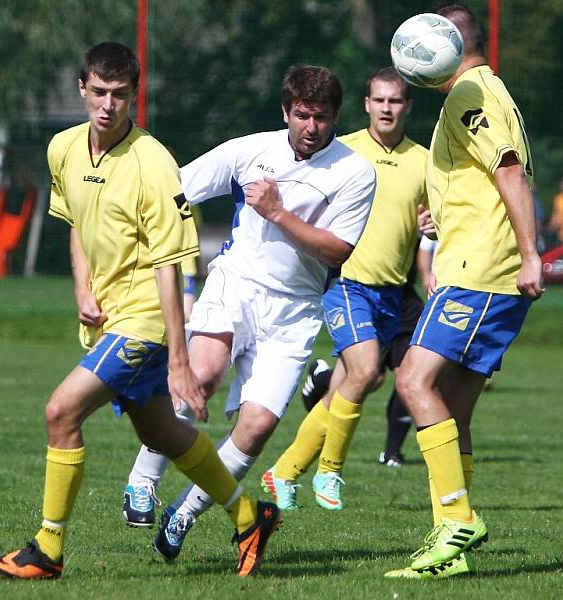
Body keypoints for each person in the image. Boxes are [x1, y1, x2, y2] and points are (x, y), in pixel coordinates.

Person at [0, 42, 278, 580]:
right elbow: (74, 221)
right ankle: (246, 515)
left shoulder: (155, 165)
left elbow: (172, 266)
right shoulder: (64, 148)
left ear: (133, 96)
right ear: (81, 89)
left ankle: (47, 550)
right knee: (161, 434)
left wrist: (180, 358)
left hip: (144, 319)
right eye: (98, 92)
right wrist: (82, 287)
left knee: (61, 413)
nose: (107, 105)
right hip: (105, 316)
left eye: (119, 95)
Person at [122, 65, 376, 560]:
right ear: (285, 112)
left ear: (335, 118)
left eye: (320, 117)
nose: (310, 126)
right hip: (235, 285)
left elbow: (337, 251)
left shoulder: (354, 172)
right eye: (301, 115)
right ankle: (141, 482)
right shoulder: (249, 151)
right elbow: (174, 191)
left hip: (296, 312)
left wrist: (278, 212)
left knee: (257, 426)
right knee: (200, 377)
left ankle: (184, 513)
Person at [383, 4, 544, 580]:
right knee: (453, 406)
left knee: (411, 381)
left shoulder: (468, 95)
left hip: (479, 275)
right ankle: (453, 550)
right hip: (486, 268)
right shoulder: (489, 88)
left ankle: (455, 520)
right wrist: (443, 218)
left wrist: (530, 254)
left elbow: (508, 173)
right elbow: (488, 177)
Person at [261, 67, 429, 511]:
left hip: (395, 291)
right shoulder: (343, 151)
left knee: (349, 387)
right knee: (367, 371)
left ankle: (283, 472)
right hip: (347, 282)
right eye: (379, 100)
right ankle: (330, 471)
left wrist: (430, 223)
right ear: (367, 105)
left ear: (407, 106)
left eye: (395, 101)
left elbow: (431, 218)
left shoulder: (424, 160)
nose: (387, 108)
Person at [300, 241, 427, 469]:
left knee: (409, 375)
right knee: (370, 377)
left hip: (402, 297)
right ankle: (320, 380)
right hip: (363, 292)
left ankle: (391, 452)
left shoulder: (418, 205)